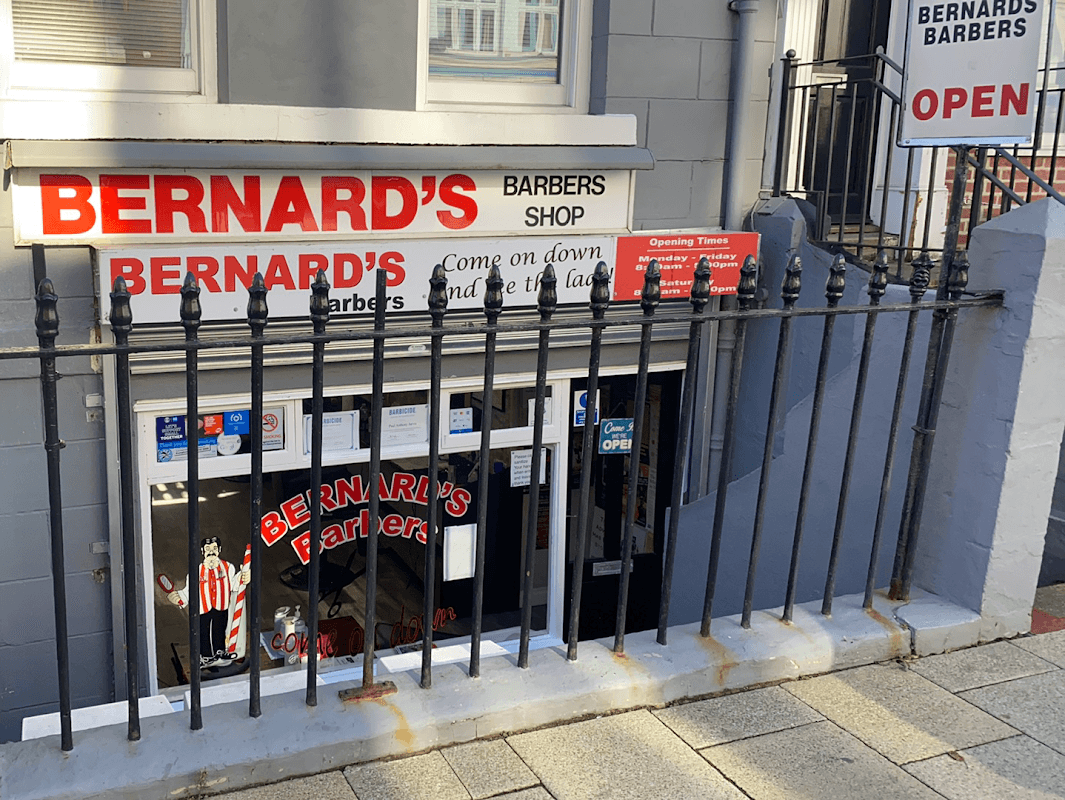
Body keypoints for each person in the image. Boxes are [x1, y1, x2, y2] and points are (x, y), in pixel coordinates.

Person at [167, 537, 250, 668]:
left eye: (214, 549)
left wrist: (243, 577)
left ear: (219, 550)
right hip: (203, 608)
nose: (211, 552)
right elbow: (189, 591)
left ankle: (220, 652)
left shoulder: (228, 567)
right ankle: (205, 657)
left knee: (220, 629)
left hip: (221, 605)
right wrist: (179, 598)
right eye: (207, 549)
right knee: (203, 632)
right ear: (202, 551)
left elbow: (234, 584)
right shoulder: (195, 572)